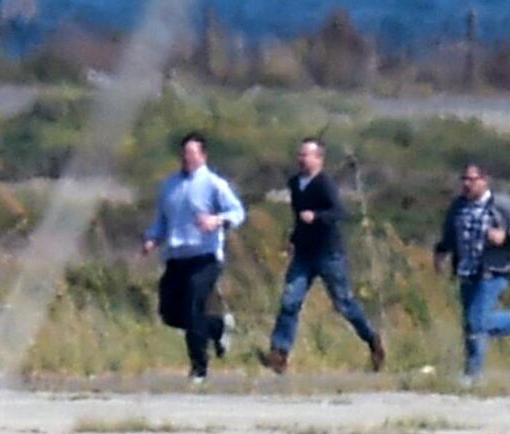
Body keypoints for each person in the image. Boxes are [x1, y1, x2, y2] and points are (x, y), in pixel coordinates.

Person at [262, 137, 384, 374]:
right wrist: (293, 239)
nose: (301, 159)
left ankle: (372, 339)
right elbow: (297, 218)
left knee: (344, 303)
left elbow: (340, 212)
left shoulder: (324, 183)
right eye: (300, 154)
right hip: (304, 254)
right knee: (290, 300)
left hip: (329, 254)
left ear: (319, 159)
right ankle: (279, 352)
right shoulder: (295, 184)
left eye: (306, 155)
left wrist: (317, 216)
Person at [143, 132, 245, 383]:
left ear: (203, 155)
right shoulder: (169, 185)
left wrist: (217, 220)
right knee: (170, 313)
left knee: (193, 307)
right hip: (176, 257)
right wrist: (153, 238)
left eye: (192, 153)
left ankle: (199, 369)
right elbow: (162, 220)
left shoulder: (214, 184)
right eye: (184, 153)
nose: (186, 158)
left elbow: (237, 212)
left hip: (204, 257)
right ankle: (218, 327)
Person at [434, 163, 510, 385]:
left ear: (484, 180)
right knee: (471, 326)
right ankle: (474, 373)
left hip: (493, 271)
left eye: (472, 179)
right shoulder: (458, 206)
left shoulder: (503, 205)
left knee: (476, 322)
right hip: (466, 270)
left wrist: (505, 237)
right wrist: (440, 252)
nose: (466, 184)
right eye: (464, 179)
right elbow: (449, 235)